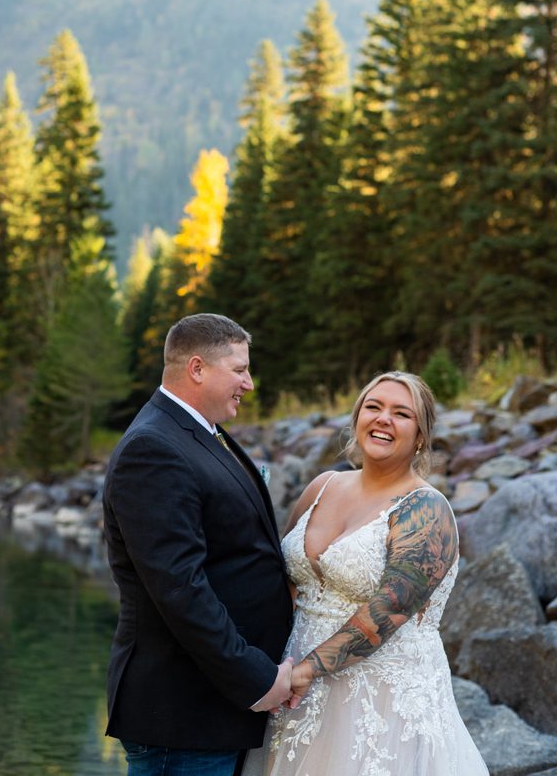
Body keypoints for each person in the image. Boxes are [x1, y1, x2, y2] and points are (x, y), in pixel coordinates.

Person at [258, 371, 486, 774]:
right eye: (374, 407)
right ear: (357, 417)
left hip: (377, 704)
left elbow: (388, 611)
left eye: (401, 413)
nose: (383, 419)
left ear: (420, 436)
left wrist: (304, 671)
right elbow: (284, 580)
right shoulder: (323, 486)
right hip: (292, 689)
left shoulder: (426, 510)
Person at [100, 313, 294, 776]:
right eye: (240, 369)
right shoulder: (153, 448)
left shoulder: (198, 432)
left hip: (212, 709)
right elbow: (180, 590)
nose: (249, 383)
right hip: (182, 712)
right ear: (197, 368)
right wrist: (256, 678)